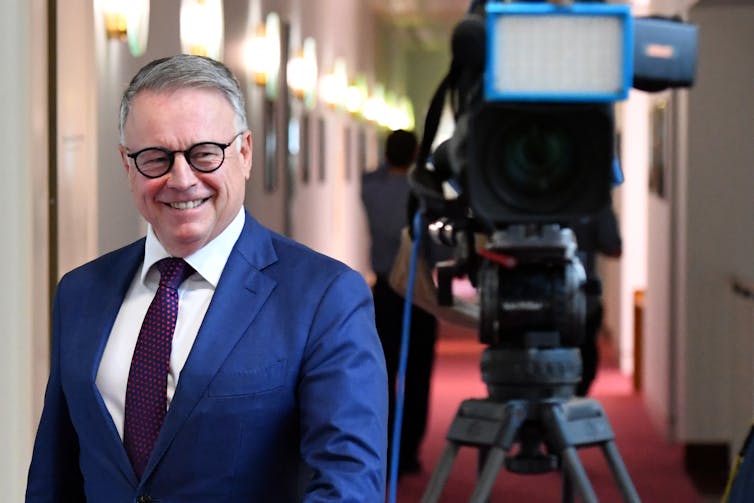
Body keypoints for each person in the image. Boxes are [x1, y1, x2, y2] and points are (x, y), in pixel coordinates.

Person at [26, 55, 388, 502]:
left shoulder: (324, 297)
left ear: (245, 153)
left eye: (204, 154)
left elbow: (348, 484)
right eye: (156, 158)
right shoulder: (80, 292)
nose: (181, 179)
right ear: (127, 164)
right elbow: (53, 474)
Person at [361, 129, 438, 476]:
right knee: (418, 376)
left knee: (383, 374)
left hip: (384, 294)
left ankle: (386, 447)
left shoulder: (371, 188)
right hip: (419, 292)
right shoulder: (422, 193)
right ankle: (408, 452)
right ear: (415, 155)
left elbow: (372, 174)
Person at [570, 204, 622, 396]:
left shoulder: (593, 202)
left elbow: (614, 248)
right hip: (583, 302)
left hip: (582, 300)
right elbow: (613, 248)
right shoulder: (590, 197)